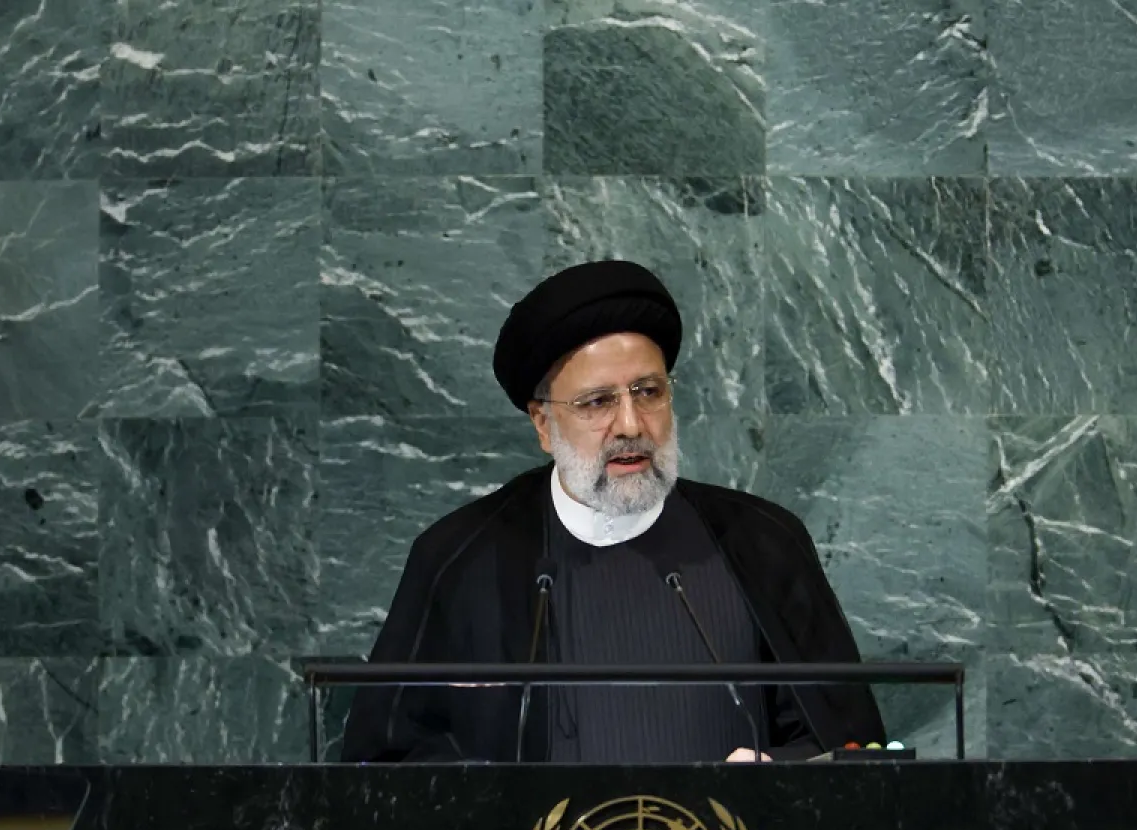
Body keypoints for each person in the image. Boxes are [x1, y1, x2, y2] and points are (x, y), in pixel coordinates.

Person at [340, 260, 885, 763]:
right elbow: (384, 764)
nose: (630, 424)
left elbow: (851, 748)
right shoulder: (460, 559)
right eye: (597, 402)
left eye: (648, 391)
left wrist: (777, 773)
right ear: (542, 424)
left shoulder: (762, 542)